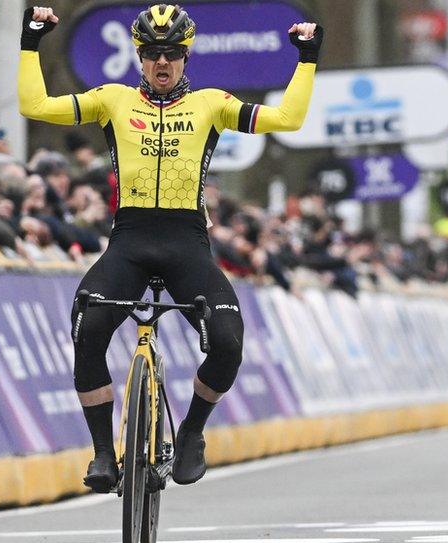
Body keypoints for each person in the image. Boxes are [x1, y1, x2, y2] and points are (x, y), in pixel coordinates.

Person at [18, 4, 322, 491]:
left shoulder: (211, 105)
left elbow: (287, 119)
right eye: (154, 53)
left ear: (187, 56)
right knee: (88, 326)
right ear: (139, 56)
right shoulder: (113, 100)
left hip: (187, 245)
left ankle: (192, 432)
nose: (163, 63)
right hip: (130, 242)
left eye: (174, 54)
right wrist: (30, 44)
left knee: (227, 344)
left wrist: (306, 59)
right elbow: (36, 107)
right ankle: (102, 453)